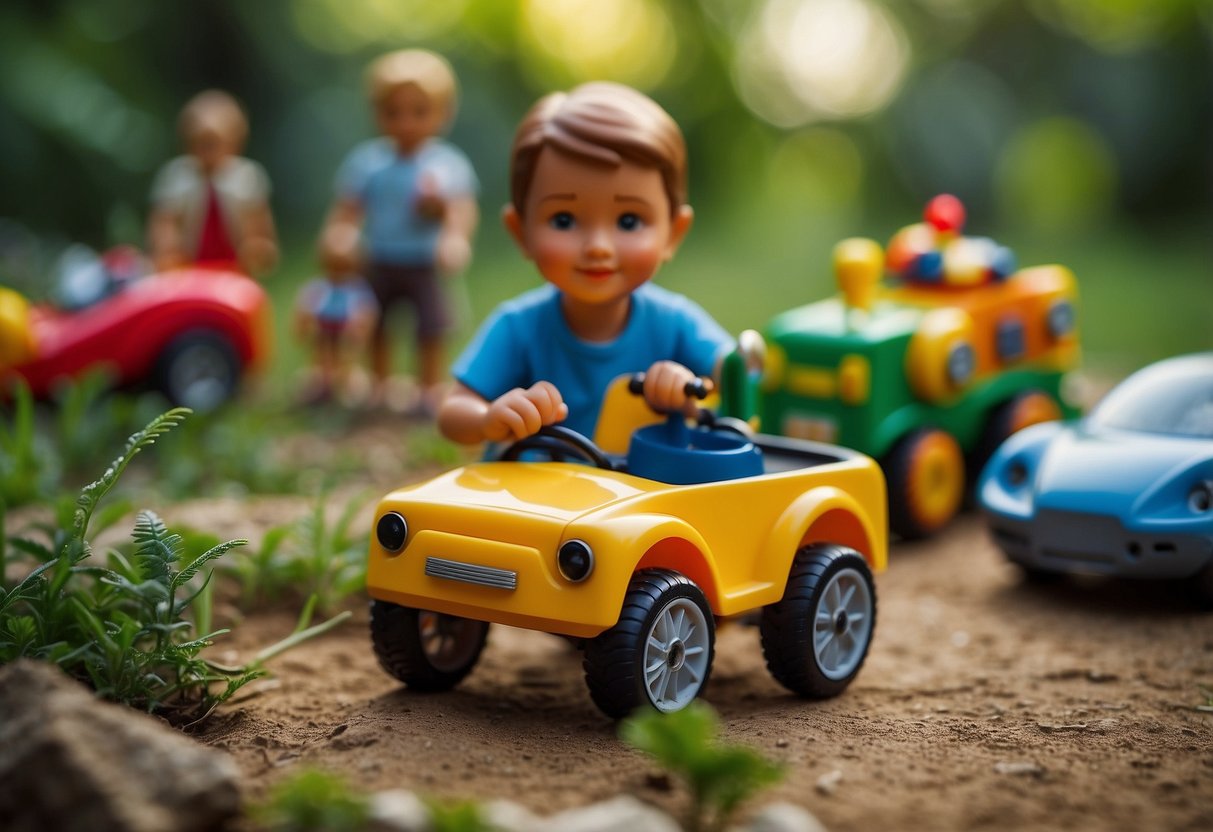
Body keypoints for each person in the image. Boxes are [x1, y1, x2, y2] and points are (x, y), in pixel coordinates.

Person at [438, 82, 733, 447]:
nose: (597, 247)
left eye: (628, 221)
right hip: (537, 494)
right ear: (521, 232)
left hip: (638, 490)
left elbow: (737, 372)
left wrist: (691, 388)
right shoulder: (518, 327)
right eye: (564, 220)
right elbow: (452, 412)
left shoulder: (674, 323)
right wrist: (489, 418)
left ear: (673, 233)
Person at [321, 49, 479, 413]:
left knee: (431, 327)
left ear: (443, 112)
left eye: (420, 112)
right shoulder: (368, 163)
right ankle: (380, 384)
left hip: (424, 261)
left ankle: (427, 386)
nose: (406, 122)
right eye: (393, 112)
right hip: (377, 258)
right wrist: (339, 235)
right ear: (377, 113)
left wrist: (453, 235)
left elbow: (461, 210)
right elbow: (348, 209)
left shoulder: (446, 164)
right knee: (376, 325)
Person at [147, 90, 277, 275]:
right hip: (187, 268)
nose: (206, 151)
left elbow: (260, 226)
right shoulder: (176, 177)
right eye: (198, 142)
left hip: (235, 268)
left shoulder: (247, 177)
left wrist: (258, 248)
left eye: (212, 143)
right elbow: (164, 223)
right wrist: (166, 247)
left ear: (235, 141)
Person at [294, 226, 379, 405]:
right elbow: (307, 305)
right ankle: (323, 383)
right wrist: (303, 323)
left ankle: (347, 384)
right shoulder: (319, 287)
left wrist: (361, 328)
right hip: (323, 328)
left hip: (345, 330)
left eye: (344, 267)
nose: (338, 273)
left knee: (346, 358)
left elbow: (366, 310)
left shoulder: (357, 289)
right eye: (333, 267)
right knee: (322, 356)